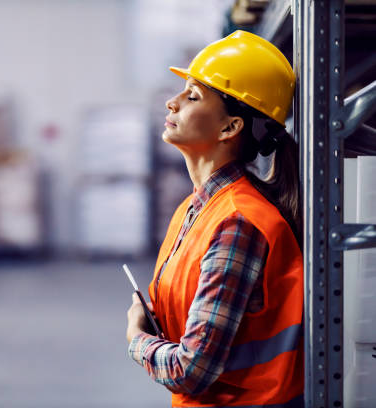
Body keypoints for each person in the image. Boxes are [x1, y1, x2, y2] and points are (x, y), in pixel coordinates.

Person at [125, 30, 304, 407]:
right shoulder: (196, 209)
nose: (172, 103)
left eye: (192, 96)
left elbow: (191, 370)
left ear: (230, 128)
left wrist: (137, 338)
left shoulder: (237, 222)